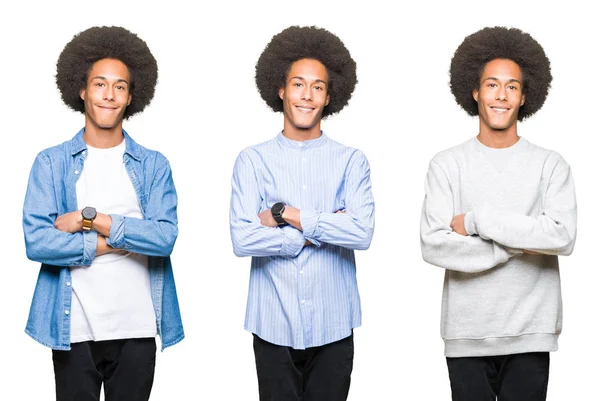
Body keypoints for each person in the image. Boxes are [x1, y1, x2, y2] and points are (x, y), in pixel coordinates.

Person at [22, 26, 184, 401]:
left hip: (137, 328)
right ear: (81, 90)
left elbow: (164, 237)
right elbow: (38, 241)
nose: (109, 95)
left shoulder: (153, 165)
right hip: (73, 330)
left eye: (120, 86)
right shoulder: (51, 163)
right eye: (100, 84)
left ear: (131, 96)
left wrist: (87, 219)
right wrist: (124, 240)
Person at [420, 26, 577, 401]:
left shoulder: (550, 166)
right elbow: (433, 245)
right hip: (466, 334)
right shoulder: (447, 165)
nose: (501, 96)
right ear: (475, 91)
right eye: (492, 85)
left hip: (531, 331)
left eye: (512, 87)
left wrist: (477, 223)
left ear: (525, 96)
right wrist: (519, 244)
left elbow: (561, 237)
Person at [229, 25, 375, 401]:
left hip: (334, 326)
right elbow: (242, 238)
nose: (307, 95)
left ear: (329, 96)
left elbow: (361, 234)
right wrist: (321, 226)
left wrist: (283, 213)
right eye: (298, 84)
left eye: (318, 87)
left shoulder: (351, 161)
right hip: (272, 324)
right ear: (281, 89)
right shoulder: (252, 160)